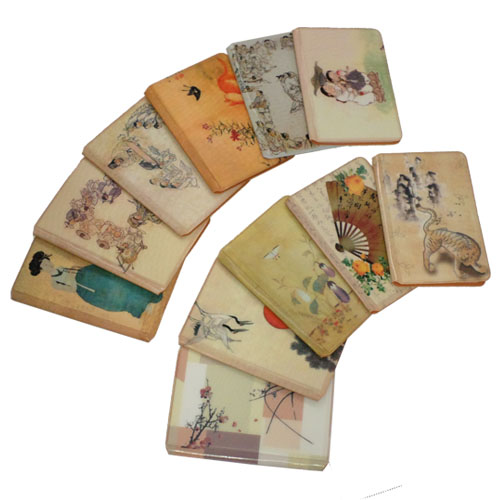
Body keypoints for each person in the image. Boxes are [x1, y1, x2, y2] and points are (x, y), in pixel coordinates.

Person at [29, 251, 162, 318]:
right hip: (86, 288)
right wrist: (74, 277)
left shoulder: (61, 268)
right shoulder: (55, 282)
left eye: (46, 262)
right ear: (42, 270)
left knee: (117, 281)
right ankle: (142, 306)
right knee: (113, 296)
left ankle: (151, 295)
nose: (48, 265)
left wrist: (77, 270)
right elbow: (72, 288)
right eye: (44, 266)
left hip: (87, 274)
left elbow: (74, 269)